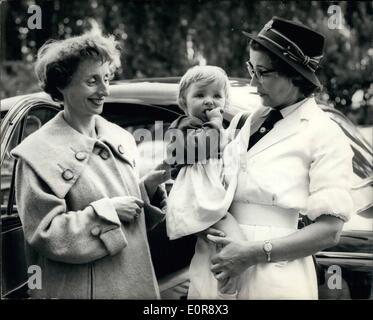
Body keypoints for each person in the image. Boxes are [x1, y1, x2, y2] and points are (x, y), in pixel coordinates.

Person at [11, 31, 168, 299]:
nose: (105, 90)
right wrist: (107, 212)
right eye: (92, 81)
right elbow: (45, 234)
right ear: (62, 84)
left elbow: (122, 206)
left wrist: (147, 189)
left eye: (106, 78)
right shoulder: (35, 154)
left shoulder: (121, 138)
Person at [206, 17, 354, 299]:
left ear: (294, 75)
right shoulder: (240, 123)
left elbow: (329, 230)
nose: (252, 81)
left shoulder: (323, 133)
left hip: (276, 278)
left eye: (263, 72)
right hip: (216, 269)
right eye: (251, 68)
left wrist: (252, 253)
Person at [165, 66, 246, 299]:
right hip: (196, 199)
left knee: (220, 244)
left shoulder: (221, 131)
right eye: (200, 95)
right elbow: (199, 149)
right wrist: (215, 125)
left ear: (225, 101)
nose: (209, 102)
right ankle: (227, 292)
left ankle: (221, 287)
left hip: (208, 197)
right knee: (235, 241)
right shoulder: (182, 126)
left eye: (216, 96)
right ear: (183, 101)